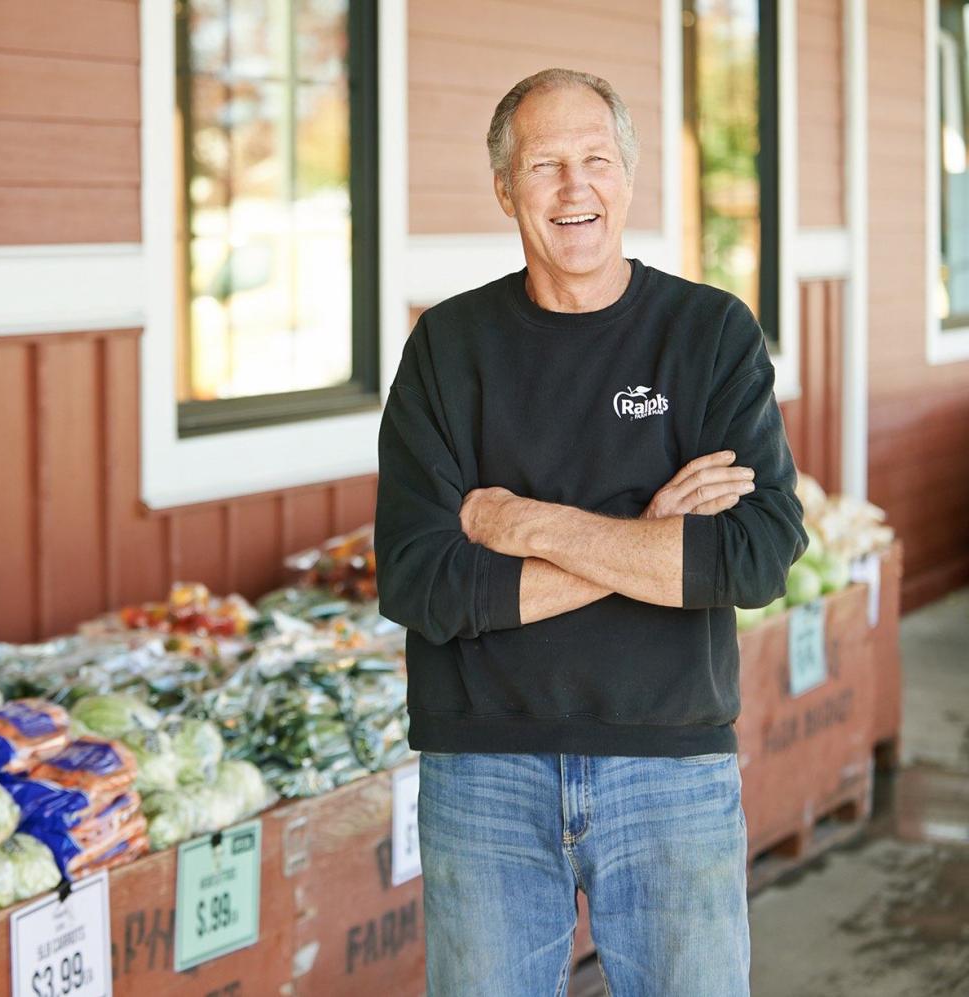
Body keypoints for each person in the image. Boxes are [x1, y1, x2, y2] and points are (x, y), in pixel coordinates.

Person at [373, 68, 807, 996]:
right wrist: (651, 539)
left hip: (670, 764)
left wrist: (522, 523)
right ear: (505, 189)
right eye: (544, 166)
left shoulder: (710, 334)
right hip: (482, 766)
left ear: (630, 177)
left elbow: (758, 550)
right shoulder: (447, 350)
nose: (575, 189)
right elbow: (422, 581)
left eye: (595, 161)